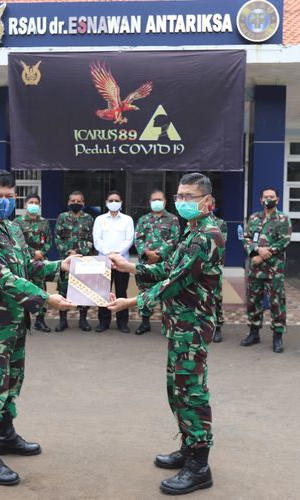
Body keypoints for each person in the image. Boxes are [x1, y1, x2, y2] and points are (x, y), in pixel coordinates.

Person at [108, 173, 223, 496]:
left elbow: (176, 282)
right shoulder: (191, 232)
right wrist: (130, 268)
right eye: (180, 196)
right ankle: (188, 448)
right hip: (180, 325)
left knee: (192, 391)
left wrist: (132, 301)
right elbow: (168, 269)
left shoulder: (208, 236)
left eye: (190, 196)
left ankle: (200, 465)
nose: (182, 201)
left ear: (207, 202)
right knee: (177, 389)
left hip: (193, 325)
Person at [0, 169, 75, 486]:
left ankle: (7, 435)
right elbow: (4, 278)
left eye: (10, 197)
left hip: (14, 320)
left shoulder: (12, 228)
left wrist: (59, 265)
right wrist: (46, 299)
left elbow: (27, 266)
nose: (4, 202)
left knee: (12, 378)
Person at [241, 188, 292, 353]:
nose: (268, 199)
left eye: (271, 196)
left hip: (274, 269)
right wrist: (255, 252)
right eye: (265, 197)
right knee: (253, 301)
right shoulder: (254, 218)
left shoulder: (283, 219)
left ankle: (278, 336)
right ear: (260, 199)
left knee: (277, 303)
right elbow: (247, 238)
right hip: (255, 269)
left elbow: (284, 241)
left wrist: (262, 254)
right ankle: (253, 332)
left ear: (277, 199)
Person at [133, 189, 180, 335]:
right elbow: (138, 239)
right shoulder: (143, 220)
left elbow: (174, 239)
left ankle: (168, 324)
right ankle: (145, 323)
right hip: (147, 264)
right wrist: (147, 253)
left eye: (159, 199)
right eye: (154, 200)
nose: (157, 202)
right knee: (145, 292)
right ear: (150, 202)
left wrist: (159, 254)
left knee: (167, 292)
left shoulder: (173, 219)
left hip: (165, 264)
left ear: (165, 202)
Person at [93, 190, 135, 333]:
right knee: (103, 292)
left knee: (122, 291)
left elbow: (129, 239)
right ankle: (103, 322)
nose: (113, 203)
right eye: (110, 200)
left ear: (121, 203)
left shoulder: (127, 220)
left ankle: (122, 322)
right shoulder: (100, 219)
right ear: (106, 203)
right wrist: (109, 253)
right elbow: (97, 240)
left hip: (123, 262)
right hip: (103, 261)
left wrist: (116, 254)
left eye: (116, 200)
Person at [54, 191, 95, 332]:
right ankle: (62, 320)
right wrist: (68, 253)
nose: (75, 203)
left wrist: (77, 252)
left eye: (78, 201)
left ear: (83, 203)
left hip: (83, 261)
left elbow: (91, 240)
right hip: (66, 261)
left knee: (83, 290)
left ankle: (83, 320)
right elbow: (58, 238)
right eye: (73, 200)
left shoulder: (89, 219)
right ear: (68, 202)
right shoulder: (62, 217)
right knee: (63, 290)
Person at [14, 192, 53, 333]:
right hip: (24, 261)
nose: (34, 206)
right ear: (25, 204)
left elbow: (49, 241)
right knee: (22, 289)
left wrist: (41, 253)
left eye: (36, 203)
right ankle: (22, 321)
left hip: (40, 262)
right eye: (31, 203)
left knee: (41, 290)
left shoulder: (44, 222)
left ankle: (40, 320)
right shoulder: (17, 222)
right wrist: (32, 253)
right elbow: (17, 241)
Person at [209, 196, 228, 343]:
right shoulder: (193, 223)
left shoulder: (220, 223)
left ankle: (218, 327)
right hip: (196, 267)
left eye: (210, 203)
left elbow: (220, 245)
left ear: (214, 206)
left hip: (213, 267)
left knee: (216, 298)